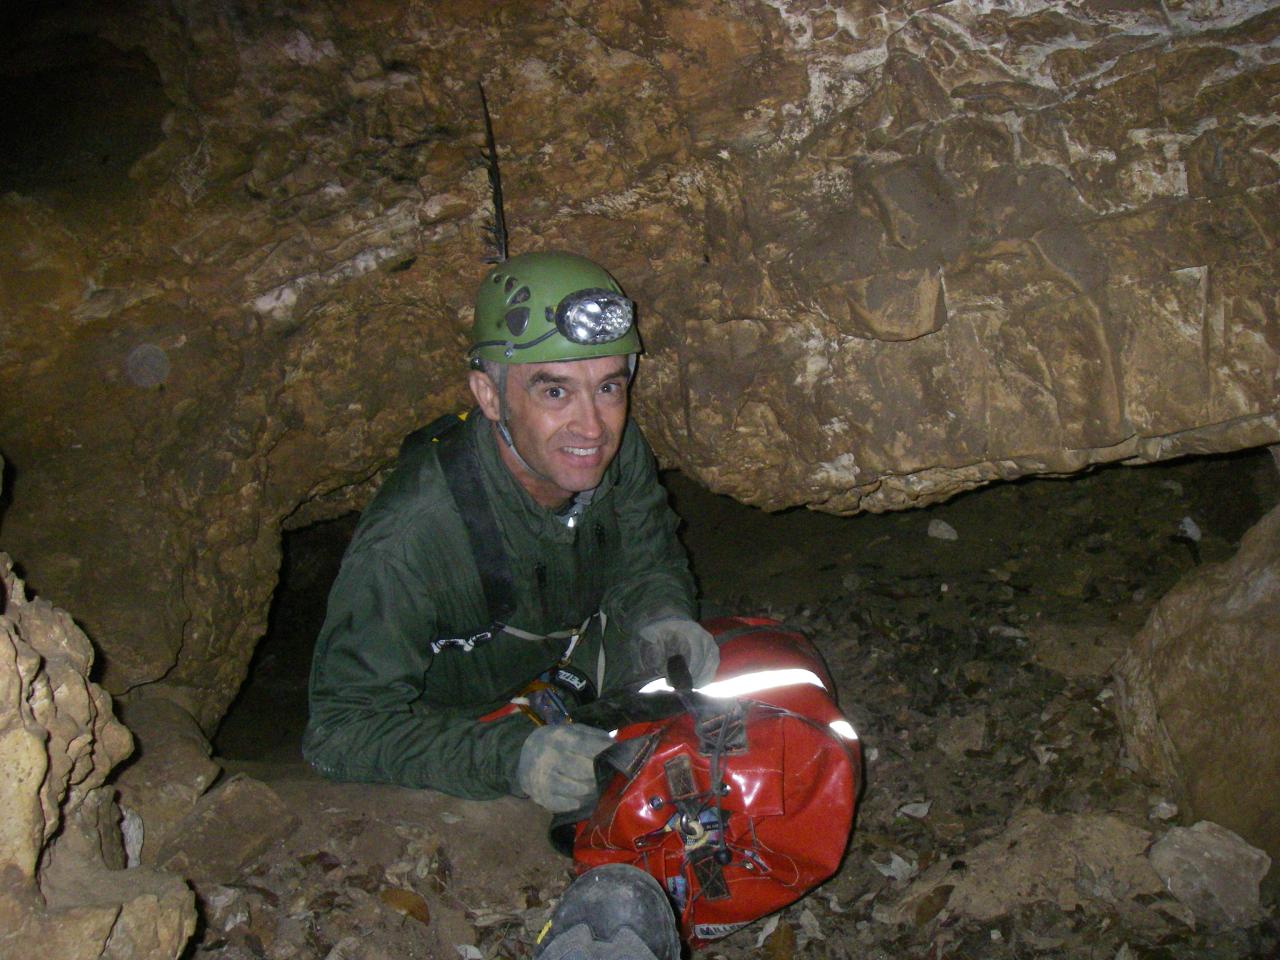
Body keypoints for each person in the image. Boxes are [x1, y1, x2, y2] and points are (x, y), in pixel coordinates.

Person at [303, 251, 719, 814]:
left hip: (569, 668)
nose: (592, 427)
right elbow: (339, 731)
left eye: (608, 388)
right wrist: (511, 759)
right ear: (490, 395)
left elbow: (647, 556)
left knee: (745, 690)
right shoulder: (411, 538)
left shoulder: (615, 452)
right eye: (554, 391)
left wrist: (662, 617)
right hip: (463, 728)